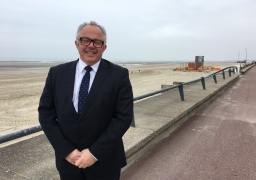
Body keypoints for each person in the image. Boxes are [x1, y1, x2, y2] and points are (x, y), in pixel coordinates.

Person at [38, 21, 133, 180]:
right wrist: (66, 151)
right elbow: (46, 113)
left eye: (97, 42)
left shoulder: (119, 75)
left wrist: (95, 153)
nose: (91, 45)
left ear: (104, 47)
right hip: (69, 163)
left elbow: (123, 117)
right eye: (85, 40)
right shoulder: (57, 74)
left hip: (105, 163)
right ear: (76, 43)